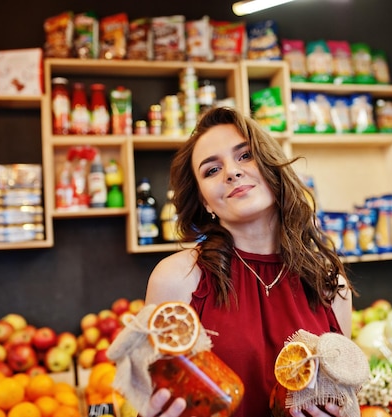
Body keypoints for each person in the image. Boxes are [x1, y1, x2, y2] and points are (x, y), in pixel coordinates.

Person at [144, 106, 355, 417]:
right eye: (211, 170)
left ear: (271, 166)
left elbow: (345, 402)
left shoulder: (329, 284)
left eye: (245, 155)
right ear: (204, 200)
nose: (231, 171)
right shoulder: (177, 279)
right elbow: (156, 401)